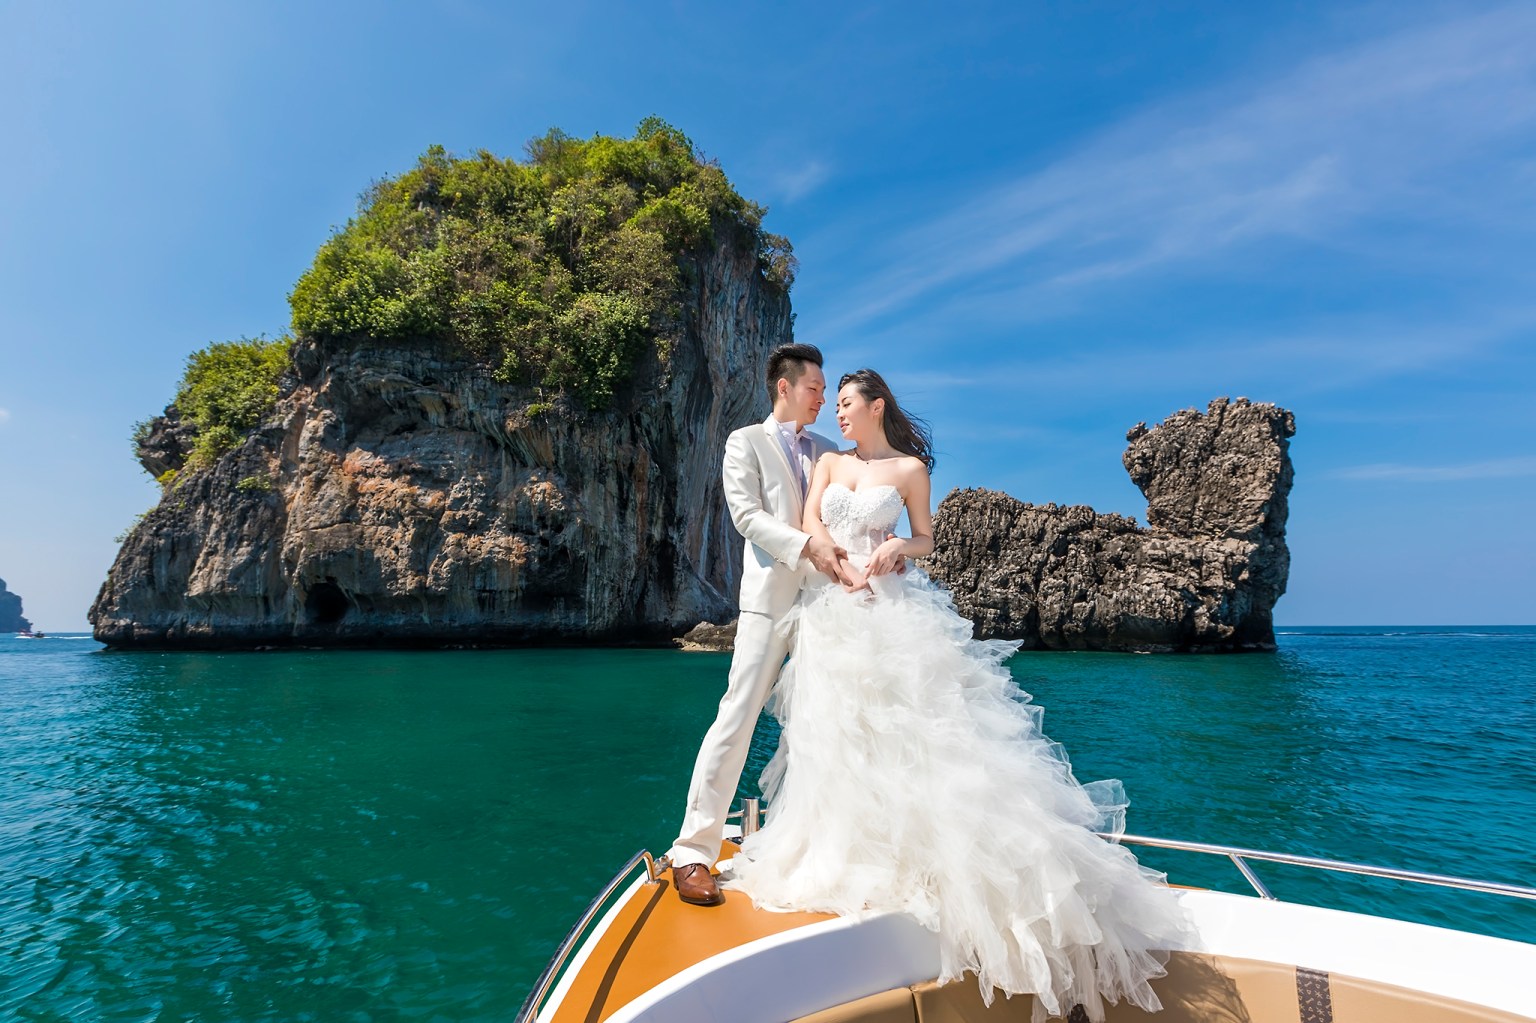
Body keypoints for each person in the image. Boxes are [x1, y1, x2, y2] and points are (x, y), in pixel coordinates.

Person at [724, 369, 1190, 1023]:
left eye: (849, 403)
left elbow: (926, 538)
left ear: (876, 405)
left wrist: (894, 550)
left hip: (892, 612)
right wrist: (841, 561)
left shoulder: (911, 469)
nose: (840, 413)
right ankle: (850, 853)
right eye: (837, 405)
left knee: (918, 739)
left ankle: (941, 868)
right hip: (835, 613)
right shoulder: (827, 461)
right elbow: (810, 529)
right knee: (839, 740)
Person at [666, 342, 844, 907]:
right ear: (785, 387)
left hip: (826, 607)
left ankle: (820, 846)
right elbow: (746, 516)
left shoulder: (831, 451)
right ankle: (693, 851)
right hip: (769, 601)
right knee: (737, 716)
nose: (823, 397)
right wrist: (807, 548)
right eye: (815, 387)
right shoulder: (744, 442)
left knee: (823, 724)